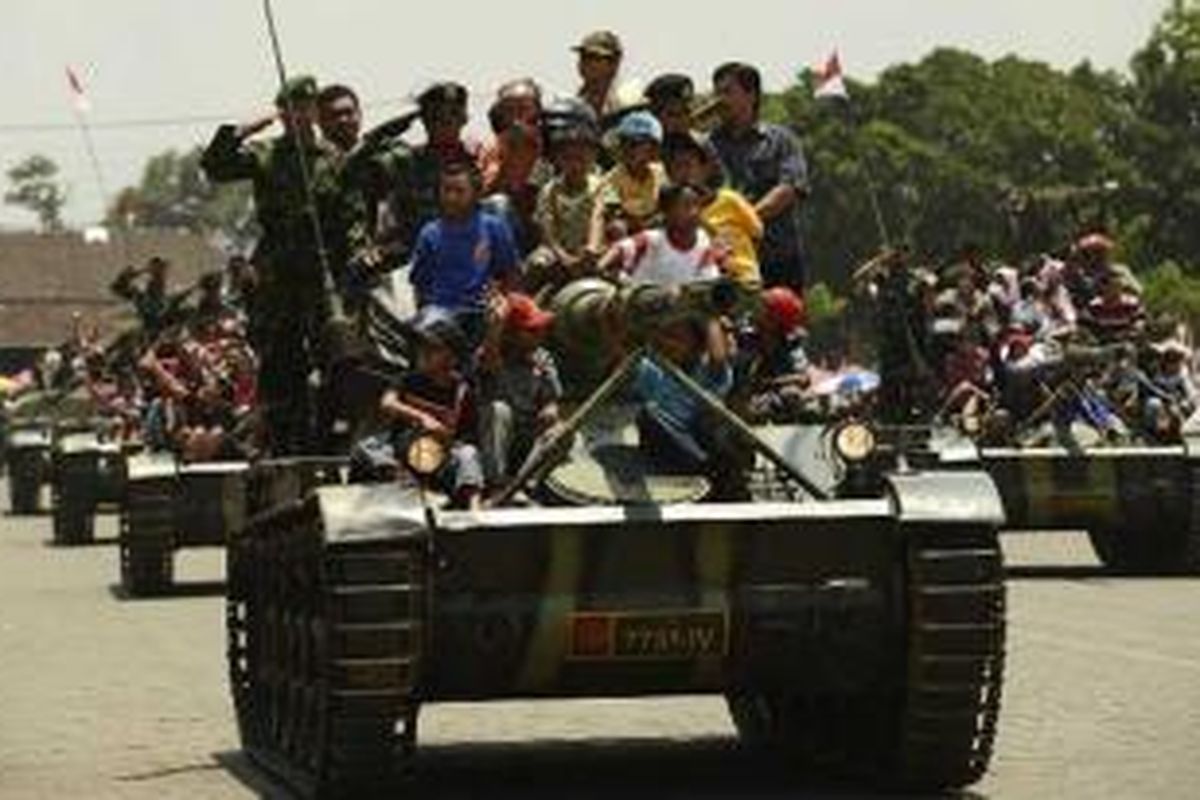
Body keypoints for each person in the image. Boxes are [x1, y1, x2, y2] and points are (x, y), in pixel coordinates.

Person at [200, 74, 345, 455]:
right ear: (281, 113)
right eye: (289, 108)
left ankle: (331, 436)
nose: (298, 115)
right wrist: (242, 131)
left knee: (334, 356)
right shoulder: (265, 154)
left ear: (315, 110)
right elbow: (215, 166)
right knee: (281, 361)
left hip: (322, 270)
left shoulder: (333, 157)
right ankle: (280, 440)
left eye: (304, 107)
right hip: (279, 272)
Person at [711, 62, 809, 291]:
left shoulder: (782, 140)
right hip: (727, 261)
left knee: (786, 323)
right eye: (717, 92)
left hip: (778, 257)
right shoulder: (707, 145)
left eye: (727, 92)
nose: (719, 100)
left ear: (751, 94)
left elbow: (790, 188)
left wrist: (744, 220)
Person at [379, 309, 483, 508]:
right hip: (406, 452)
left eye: (433, 348)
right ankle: (419, 492)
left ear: (452, 356)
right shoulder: (409, 380)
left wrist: (444, 435)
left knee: (467, 454)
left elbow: (468, 438)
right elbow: (387, 403)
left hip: (442, 455)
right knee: (371, 449)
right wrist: (421, 418)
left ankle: (475, 509)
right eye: (421, 347)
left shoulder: (462, 390)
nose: (424, 353)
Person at [410, 162, 520, 346]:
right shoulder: (429, 233)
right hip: (440, 314)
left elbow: (511, 273)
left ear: (475, 194)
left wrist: (503, 302)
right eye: (447, 190)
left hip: (479, 311)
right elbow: (420, 284)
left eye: (459, 191)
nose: (451, 197)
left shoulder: (493, 227)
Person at [477, 293, 562, 486]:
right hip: (495, 439)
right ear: (511, 333)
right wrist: (495, 328)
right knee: (498, 410)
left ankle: (525, 483)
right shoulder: (490, 354)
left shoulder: (542, 358)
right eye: (531, 331)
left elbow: (551, 400)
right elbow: (490, 361)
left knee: (560, 433)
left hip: (528, 435)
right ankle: (495, 483)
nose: (540, 335)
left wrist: (550, 411)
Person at [664, 131, 762, 288]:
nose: (684, 173)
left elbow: (757, 234)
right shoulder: (671, 215)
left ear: (705, 169)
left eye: (688, 165)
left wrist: (736, 261)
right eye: (677, 167)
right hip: (699, 288)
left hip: (743, 282)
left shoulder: (730, 200)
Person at [526, 105, 604, 295]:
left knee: (621, 272)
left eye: (582, 158)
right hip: (557, 252)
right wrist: (563, 256)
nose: (576, 164)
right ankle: (524, 308)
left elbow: (598, 217)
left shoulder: (599, 185)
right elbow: (547, 228)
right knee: (537, 263)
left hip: (590, 251)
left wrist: (592, 249)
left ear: (593, 157)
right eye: (569, 158)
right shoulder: (549, 190)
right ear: (557, 159)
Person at [599, 183, 724, 288]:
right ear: (667, 212)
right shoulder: (652, 239)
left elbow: (710, 279)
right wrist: (600, 268)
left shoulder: (703, 241)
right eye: (686, 206)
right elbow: (619, 249)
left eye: (697, 205)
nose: (694, 212)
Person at [480, 79, 551, 255]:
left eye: (523, 108)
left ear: (537, 111)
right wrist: (509, 159)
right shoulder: (494, 149)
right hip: (512, 228)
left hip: (550, 227)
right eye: (509, 110)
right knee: (498, 204)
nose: (516, 117)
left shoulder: (553, 143)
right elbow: (484, 198)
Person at [737, 287, 812, 422]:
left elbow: (803, 378)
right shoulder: (745, 338)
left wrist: (772, 383)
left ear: (775, 318)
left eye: (763, 308)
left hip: (773, 400)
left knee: (791, 395)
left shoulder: (790, 343)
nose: (756, 311)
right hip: (743, 399)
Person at [594, 111, 668, 241]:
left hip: (658, 230)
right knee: (617, 228)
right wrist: (641, 225)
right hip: (628, 235)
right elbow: (614, 214)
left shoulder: (660, 172)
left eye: (636, 144)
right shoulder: (610, 179)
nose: (629, 150)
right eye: (625, 144)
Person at [110, 256, 172, 336]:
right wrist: (140, 272)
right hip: (149, 316)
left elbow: (155, 301)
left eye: (160, 268)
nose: (162, 272)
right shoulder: (149, 284)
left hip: (152, 317)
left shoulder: (155, 283)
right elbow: (116, 288)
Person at [574, 30, 624, 122]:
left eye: (594, 58)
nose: (586, 63)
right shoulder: (575, 106)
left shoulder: (625, 104)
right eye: (583, 57)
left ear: (614, 64)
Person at [645, 73, 696, 138]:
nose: (681, 121)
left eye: (686, 113)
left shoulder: (699, 144)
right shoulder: (647, 146)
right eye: (672, 115)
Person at [317, 83, 362, 154]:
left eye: (348, 113)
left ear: (359, 114)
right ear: (320, 121)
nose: (343, 120)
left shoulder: (375, 154)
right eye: (334, 115)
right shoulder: (308, 160)